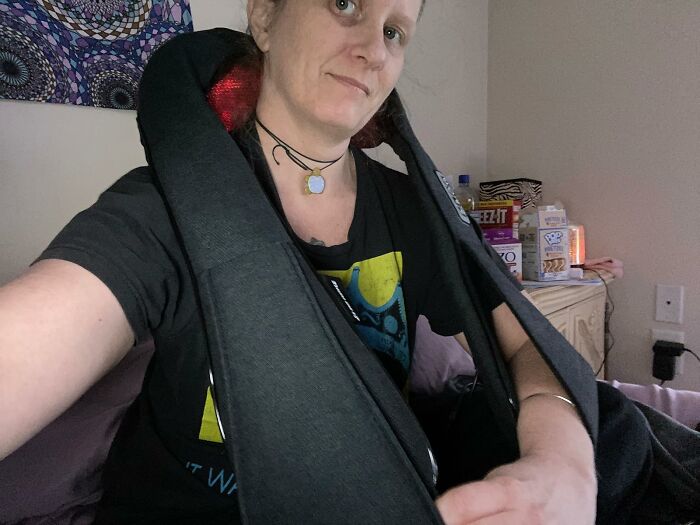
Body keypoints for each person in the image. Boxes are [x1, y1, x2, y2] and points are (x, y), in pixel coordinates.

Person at [0, 0, 599, 522]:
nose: (372, 49)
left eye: (395, 31)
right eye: (345, 3)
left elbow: (528, 343)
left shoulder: (413, 214)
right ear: (264, 15)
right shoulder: (163, 210)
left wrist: (563, 462)